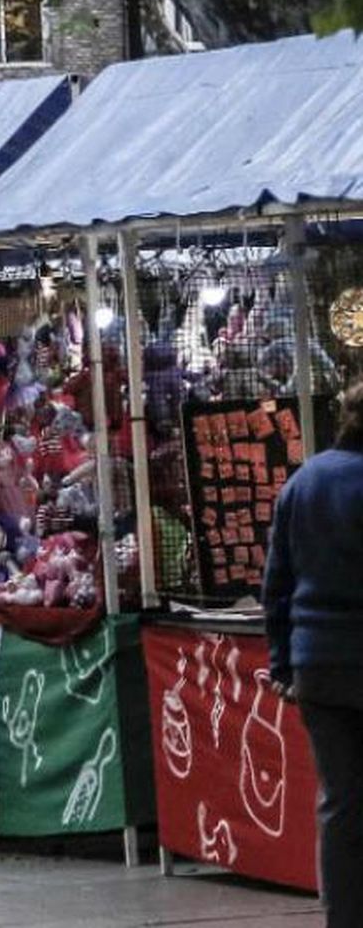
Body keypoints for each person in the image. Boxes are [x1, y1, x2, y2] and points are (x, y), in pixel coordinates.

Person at [263, 380, 363, 928]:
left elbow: (275, 583)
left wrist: (282, 662)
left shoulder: (302, 482)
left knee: (342, 801)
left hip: (317, 663)